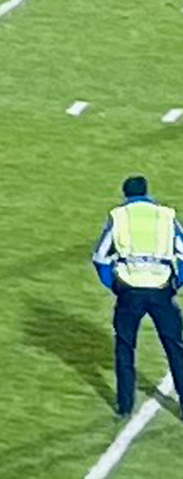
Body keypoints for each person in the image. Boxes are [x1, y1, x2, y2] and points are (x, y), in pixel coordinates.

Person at [91, 176, 183, 418]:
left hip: (129, 289)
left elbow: (100, 256)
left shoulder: (118, 217)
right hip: (161, 288)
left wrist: (114, 284)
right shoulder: (165, 216)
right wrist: (175, 282)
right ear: (147, 192)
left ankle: (124, 406)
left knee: (124, 346)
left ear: (125, 194)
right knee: (175, 348)